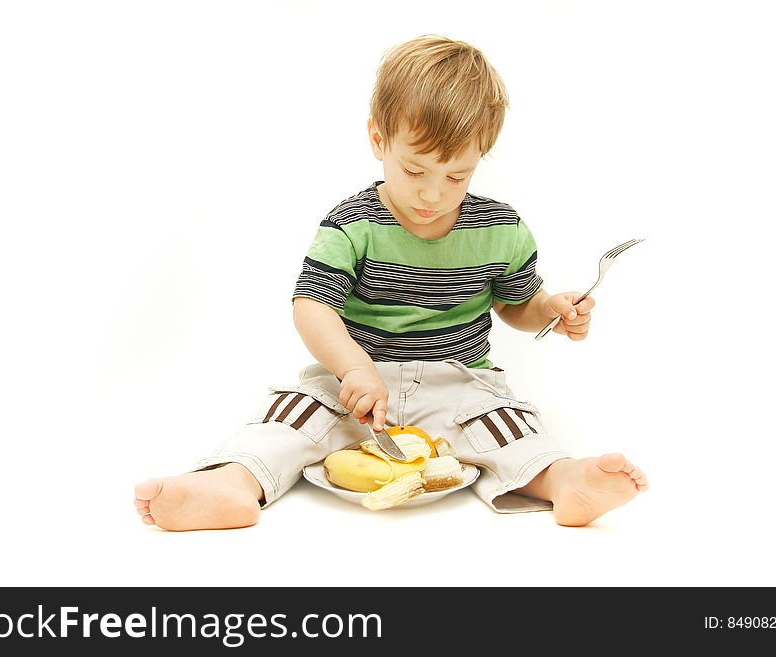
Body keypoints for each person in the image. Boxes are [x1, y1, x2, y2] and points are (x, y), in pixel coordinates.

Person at [134, 35, 648, 531]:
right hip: (352, 386)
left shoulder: (501, 228)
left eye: (456, 177)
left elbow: (517, 304)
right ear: (379, 139)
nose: (432, 195)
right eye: (414, 169)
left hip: (458, 383)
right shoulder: (352, 223)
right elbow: (311, 306)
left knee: (507, 426)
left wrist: (551, 310)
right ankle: (232, 483)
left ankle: (563, 481)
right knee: (292, 416)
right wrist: (352, 368)